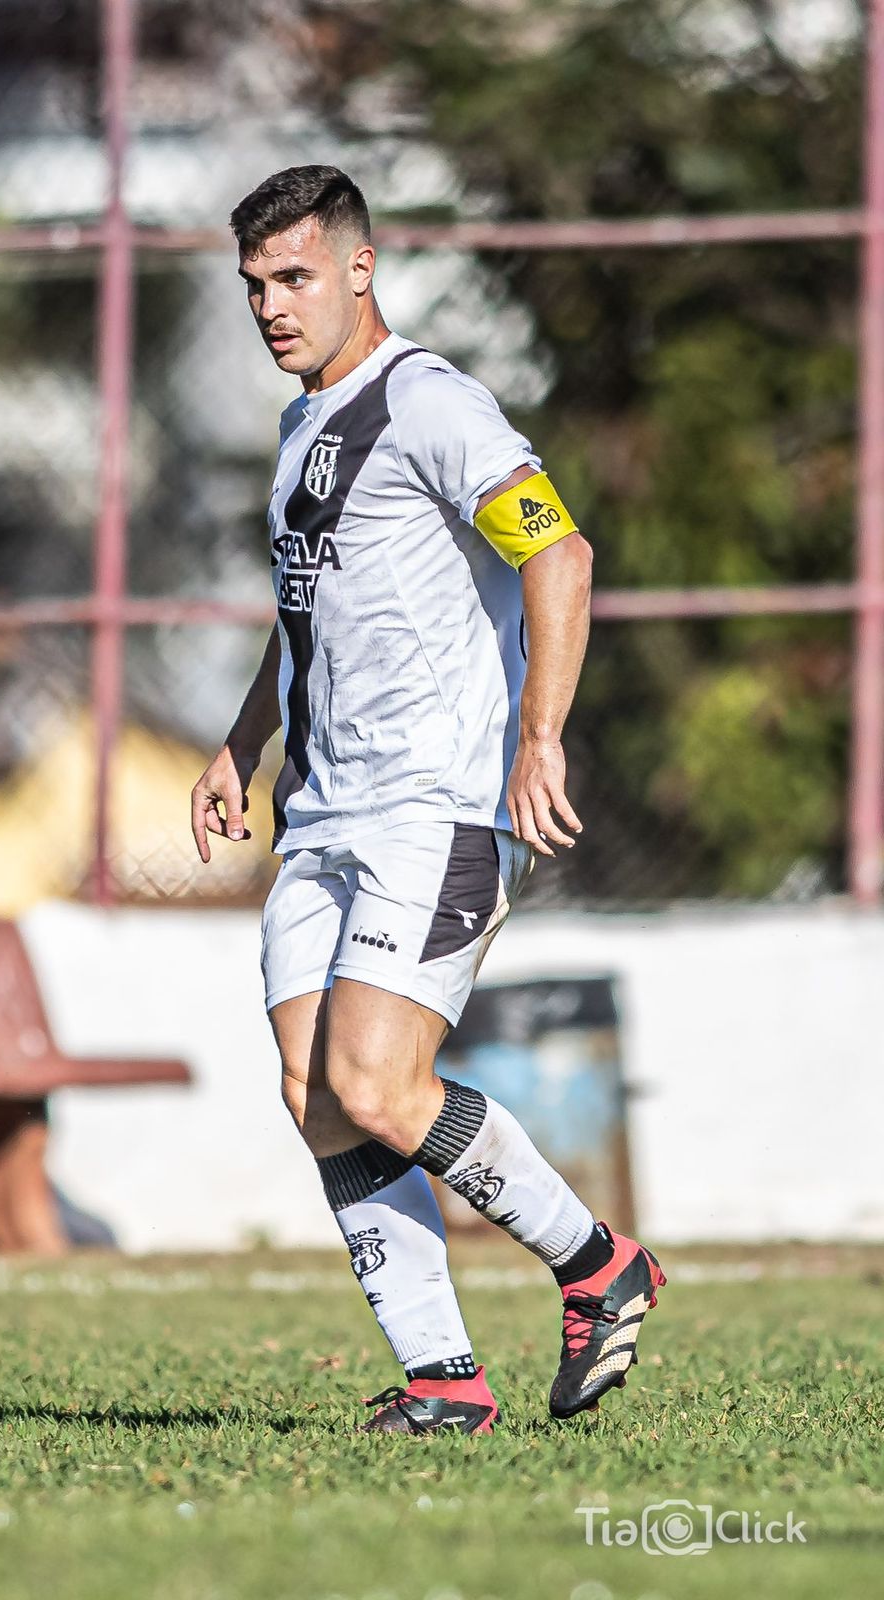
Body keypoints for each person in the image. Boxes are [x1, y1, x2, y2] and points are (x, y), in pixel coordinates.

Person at [191, 166, 665, 1435]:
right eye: (251, 286)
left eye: (292, 278)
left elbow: (555, 550)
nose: (270, 307)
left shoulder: (431, 403)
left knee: (383, 1085)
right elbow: (305, 620)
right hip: (324, 813)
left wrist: (540, 738)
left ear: (358, 269)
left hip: (437, 806)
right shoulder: (303, 427)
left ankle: (596, 1264)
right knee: (312, 1089)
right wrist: (243, 743)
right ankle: (444, 1381)